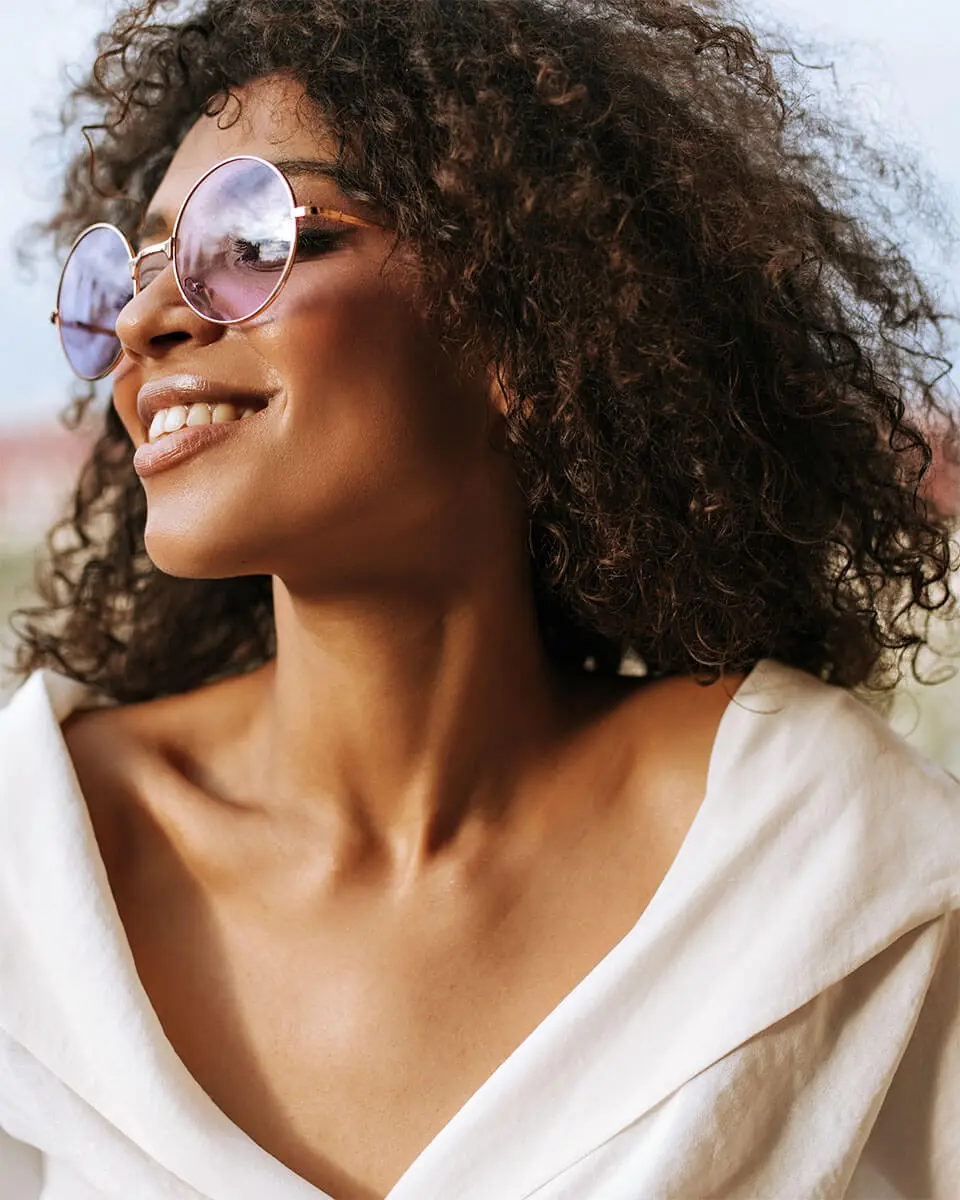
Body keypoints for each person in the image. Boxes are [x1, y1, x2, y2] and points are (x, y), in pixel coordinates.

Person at [1, 0, 958, 1196]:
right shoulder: (30, 867)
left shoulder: (823, 862)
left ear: (521, 320)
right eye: (129, 273)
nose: (147, 320)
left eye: (249, 239)